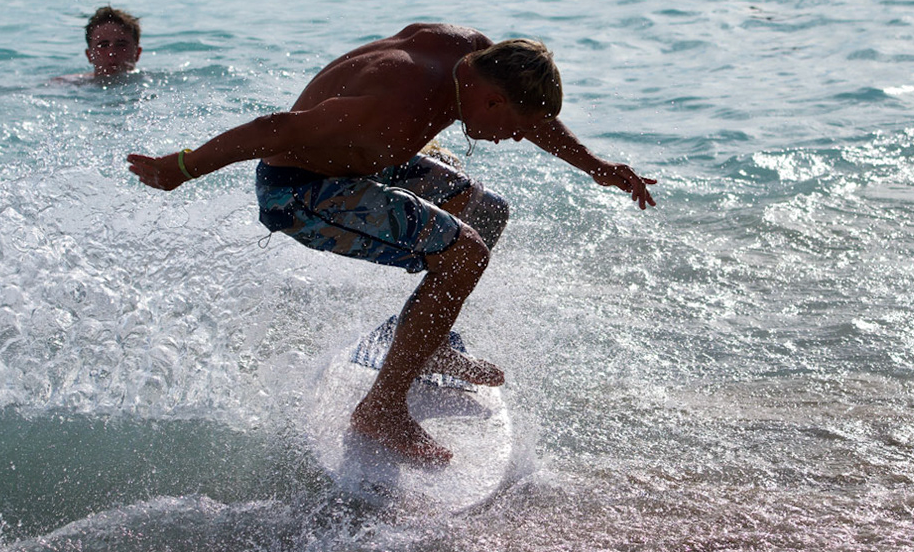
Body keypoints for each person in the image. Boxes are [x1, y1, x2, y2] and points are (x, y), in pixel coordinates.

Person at [127, 24, 656, 465]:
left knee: (486, 210)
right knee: (465, 253)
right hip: (302, 193)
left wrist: (596, 167)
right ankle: (381, 407)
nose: (512, 138)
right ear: (492, 99)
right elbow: (277, 128)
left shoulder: (471, 54)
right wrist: (181, 168)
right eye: (511, 128)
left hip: (367, 157)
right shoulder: (394, 108)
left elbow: (532, 115)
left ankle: (428, 345)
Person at [53, 6, 142, 81]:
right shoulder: (64, 84)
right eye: (103, 45)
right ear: (89, 55)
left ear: (137, 53)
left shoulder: (150, 83)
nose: (112, 53)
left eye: (121, 45)